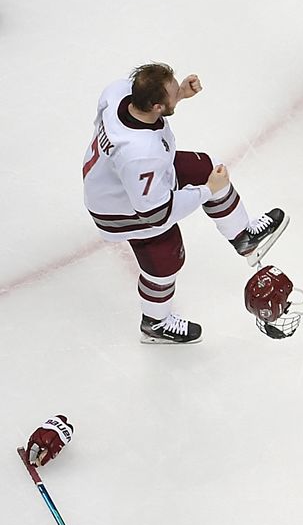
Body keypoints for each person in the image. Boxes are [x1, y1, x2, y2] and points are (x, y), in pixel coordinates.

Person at [81, 64, 287, 344]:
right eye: (171, 91)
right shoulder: (141, 154)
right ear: (155, 106)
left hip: (118, 180)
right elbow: (156, 213)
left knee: (205, 168)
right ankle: (155, 323)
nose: (177, 89)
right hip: (120, 210)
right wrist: (206, 192)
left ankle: (244, 238)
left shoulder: (120, 92)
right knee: (165, 262)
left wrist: (178, 97)